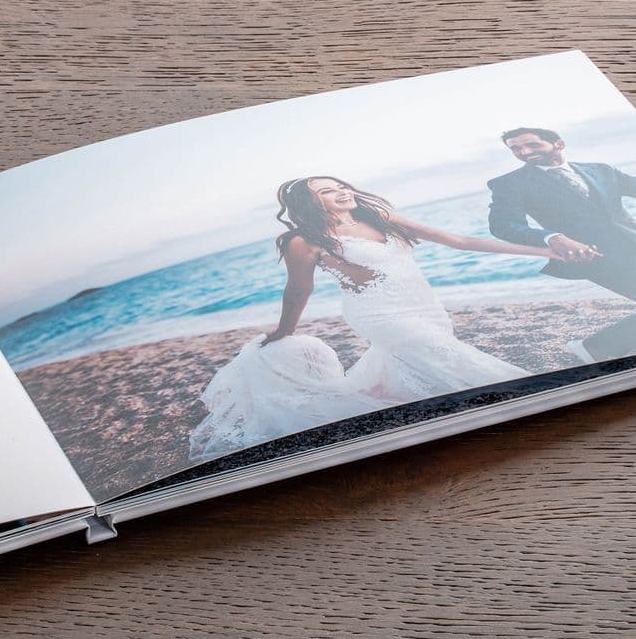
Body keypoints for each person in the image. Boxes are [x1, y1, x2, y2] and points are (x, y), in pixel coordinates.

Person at [187, 175, 592, 463]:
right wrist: (283, 332)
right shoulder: (303, 240)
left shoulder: (380, 217)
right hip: (377, 313)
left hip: (424, 305)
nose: (341, 192)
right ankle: (535, 402)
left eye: (340, 185)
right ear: (312, 204)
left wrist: (547, 252)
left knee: (423, 363)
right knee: (450, 358)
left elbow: (461, 241)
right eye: (327, 192)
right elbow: (298, 290)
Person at [489, 126, 636, 362]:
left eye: (532, 145)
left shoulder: (601, 169)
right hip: (591, 257)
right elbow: (503, 226)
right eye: (516, 149)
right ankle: (594, 349)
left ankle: (595, 349)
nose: (524, 152)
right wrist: (551, 237)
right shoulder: (509, 184)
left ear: (558, 144)